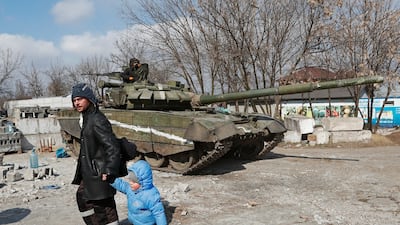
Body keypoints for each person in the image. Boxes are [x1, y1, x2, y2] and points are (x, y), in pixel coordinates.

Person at [71, 83, 122, 225]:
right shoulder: (87, 118)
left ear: (89, 99)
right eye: (74, 100)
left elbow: (112, 146)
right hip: (90, 172)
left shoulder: (97, 119)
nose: (77, 103)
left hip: (99, 172)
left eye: (80, 99)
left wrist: (109, 168)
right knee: (84, 198)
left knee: (105, 208)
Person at [111, 160, 167, 225]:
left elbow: (159, 214)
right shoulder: (131, 188)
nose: (131, 183)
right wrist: (111, 180)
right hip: (134, 221)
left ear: (142, 182)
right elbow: (122, 185)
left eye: (134, 181)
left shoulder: (150, 195)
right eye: (130, 180)